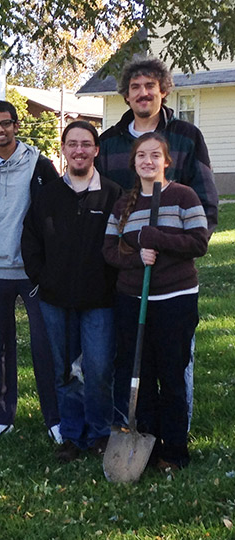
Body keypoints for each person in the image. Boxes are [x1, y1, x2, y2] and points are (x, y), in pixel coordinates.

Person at [96, 57, 219, 427]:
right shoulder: (109, 143)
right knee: (133, 356)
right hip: (128, 273)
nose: (143, 92)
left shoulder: (186, 136)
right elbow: (105, 210)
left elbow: (206, 205)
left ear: (163, 91)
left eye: (150, 85)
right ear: (126, 95)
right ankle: (137, 427)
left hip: (174, 278)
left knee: (174, 358)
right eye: (135, 87)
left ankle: (175, 432)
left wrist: (176, 254)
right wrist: (123, 258)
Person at [102, 132, 209, 470]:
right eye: (141, 156)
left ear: (166, 161)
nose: (148, 161)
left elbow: (198, 242)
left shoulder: (183, 196)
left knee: (171, 375)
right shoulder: (123, 204)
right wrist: (138, 254)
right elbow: (109, 250)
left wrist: (156, 238)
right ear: (133, 163)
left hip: (175, 299)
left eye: (155, 155)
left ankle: (174, 451)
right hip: (133, 298)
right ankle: (145, 446)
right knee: (141, 375)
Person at [22, 121, 124, 462]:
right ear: (63, 149)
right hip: (55, 300)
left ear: (96, 149)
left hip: (100, 302)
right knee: (64, 372)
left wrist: (113, 286)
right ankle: (72, 436)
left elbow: (123, 245)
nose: (79, 150)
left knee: (97, 371)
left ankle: (99, 434)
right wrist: (41, 279)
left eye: (86, 144)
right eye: (72, 144)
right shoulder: (48, 195)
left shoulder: (112, 194)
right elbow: (30, 241)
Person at [0, 100, 61, 445]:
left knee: (45, 346)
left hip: (33, 272)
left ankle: (56, 418)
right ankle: (1, 418)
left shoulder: (40, 167)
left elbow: (55, 218)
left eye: (6, 123)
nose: (0, 130)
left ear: (17, 126)